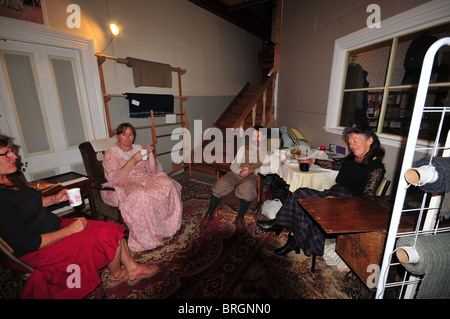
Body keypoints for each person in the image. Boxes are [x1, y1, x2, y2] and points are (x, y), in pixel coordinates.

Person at [0, 134, 158, 299]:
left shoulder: (12, 179)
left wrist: (53, 199)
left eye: (12, 151)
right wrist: (70, 231)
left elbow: (27, 203)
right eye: (7, 153)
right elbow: (25, 244)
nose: (15, 156)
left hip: (51, 226)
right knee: (105, 236)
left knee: (113, 229)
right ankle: (126, 271)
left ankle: (120, 273)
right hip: (34, 249)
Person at [257, 124, 385, 257]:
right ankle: (287, 231)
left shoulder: (376, 168)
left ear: (370, 140)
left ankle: (287, 232)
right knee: (300, 196)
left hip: (347, 203)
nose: (351, 145)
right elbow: (336, 164)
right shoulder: (354, 158)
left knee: (305, 200)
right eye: (350, 141)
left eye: (355, 140)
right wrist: (313, 160)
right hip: (333, 193)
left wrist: (341, 203)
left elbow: (367, 199)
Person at [101, 123, 182, 252]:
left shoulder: (138, 148)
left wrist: (150, 154)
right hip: (123, 183)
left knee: (168, 184)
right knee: (141, 195)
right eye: (124, 134)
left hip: (143, 177)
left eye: (131, 134)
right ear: (118, 136)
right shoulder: (112, 153)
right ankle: (147, 238)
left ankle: (167, 228)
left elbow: (152, 170)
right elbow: (115, 179)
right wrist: (132, 160)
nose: (128, 137)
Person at [200, 126, 272, 233]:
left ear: (264, 137)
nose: (255, 138)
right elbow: (233, 165)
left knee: (247, 187)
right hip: (236, 173)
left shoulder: (267, 152)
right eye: (253, 135)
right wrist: (240, 171)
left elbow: (268, 169)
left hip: (252, 176)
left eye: (258, 136)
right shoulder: (244, 148)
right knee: (221, 183)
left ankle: (240, 218)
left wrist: (252, 171)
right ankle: (209, 214)